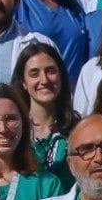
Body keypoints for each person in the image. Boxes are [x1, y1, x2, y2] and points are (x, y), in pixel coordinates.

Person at [14, 41, 80, 188]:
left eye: (50, 71)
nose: (44, 80)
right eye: (34, 73)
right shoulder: (13, 130)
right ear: (23, 82)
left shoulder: (78, 129)